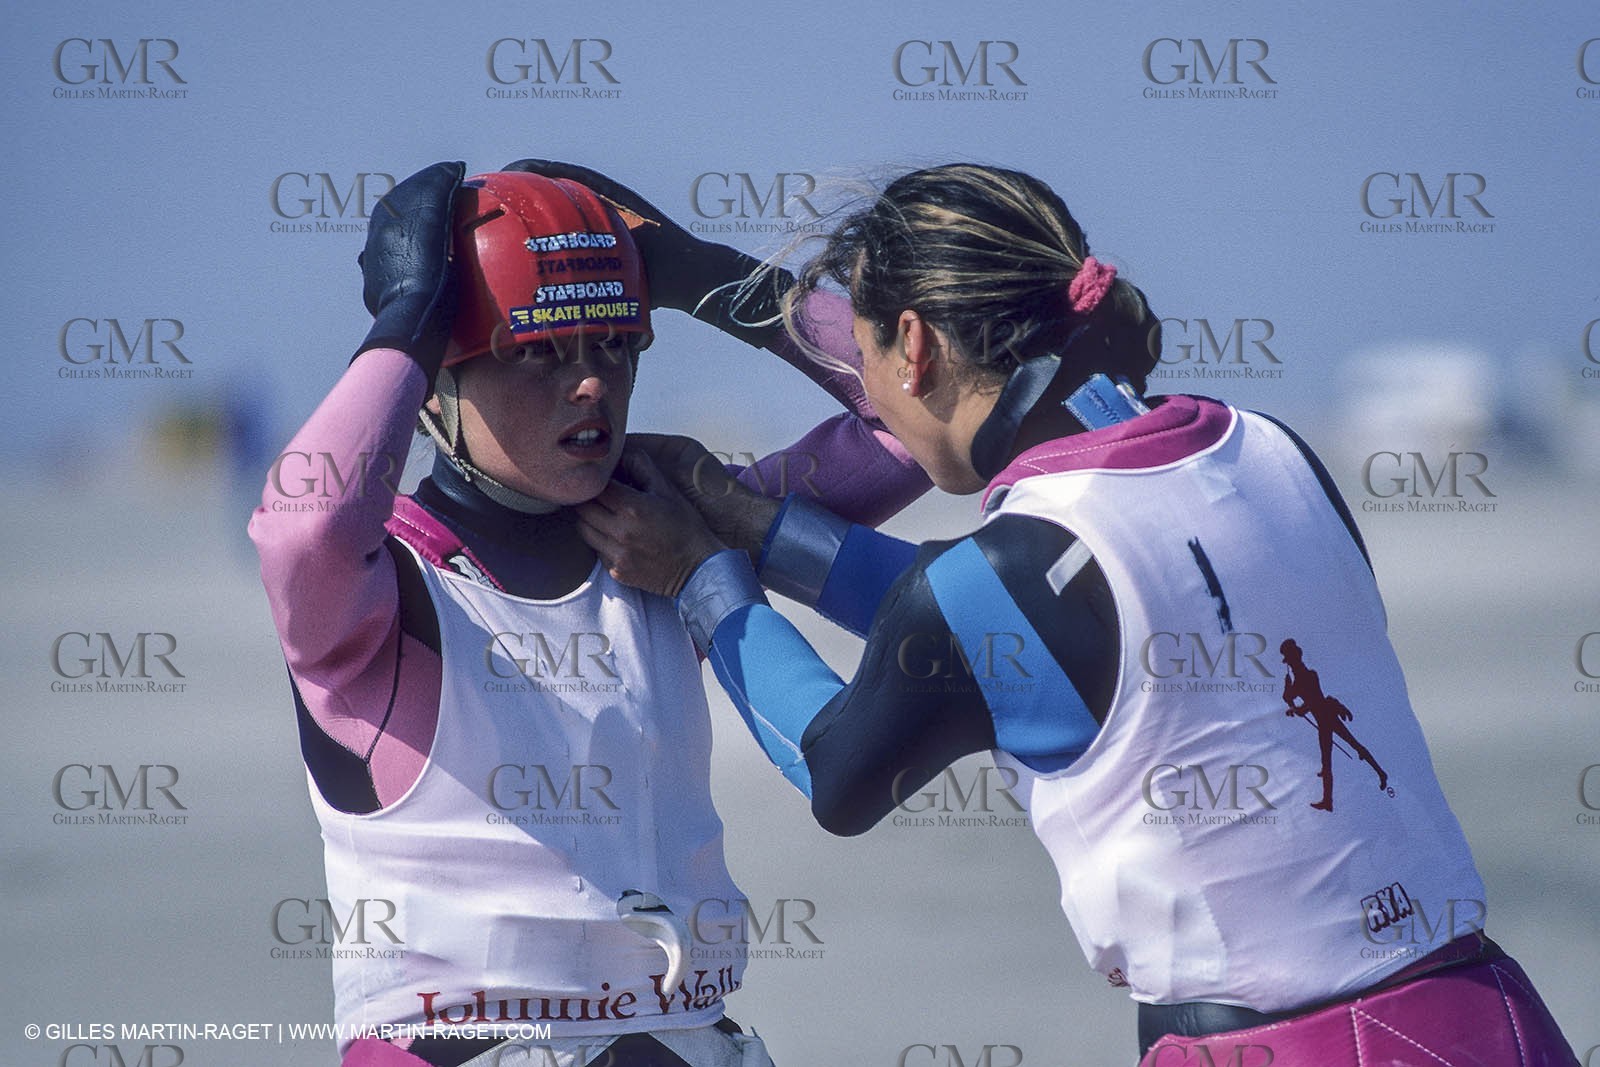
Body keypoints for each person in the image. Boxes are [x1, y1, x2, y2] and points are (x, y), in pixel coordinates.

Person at [573, 163, 1580, 1064]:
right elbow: (1058, 642)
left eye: (870, 363)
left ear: (913, 344)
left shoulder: (1010, 570)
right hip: (1490, 1010)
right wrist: (757, 523)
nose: (866, 396)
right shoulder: (1267, 448)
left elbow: (840, 768)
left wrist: (704, 576)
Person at [248, 161, 927, 1067]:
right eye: (535, 352)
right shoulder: (390, 590)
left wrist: (700, 274)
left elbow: (916, 418)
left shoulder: (667, 537)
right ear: (433, 389)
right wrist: (406, 323)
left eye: (616, 345)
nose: (590, 386)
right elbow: (302, 528)